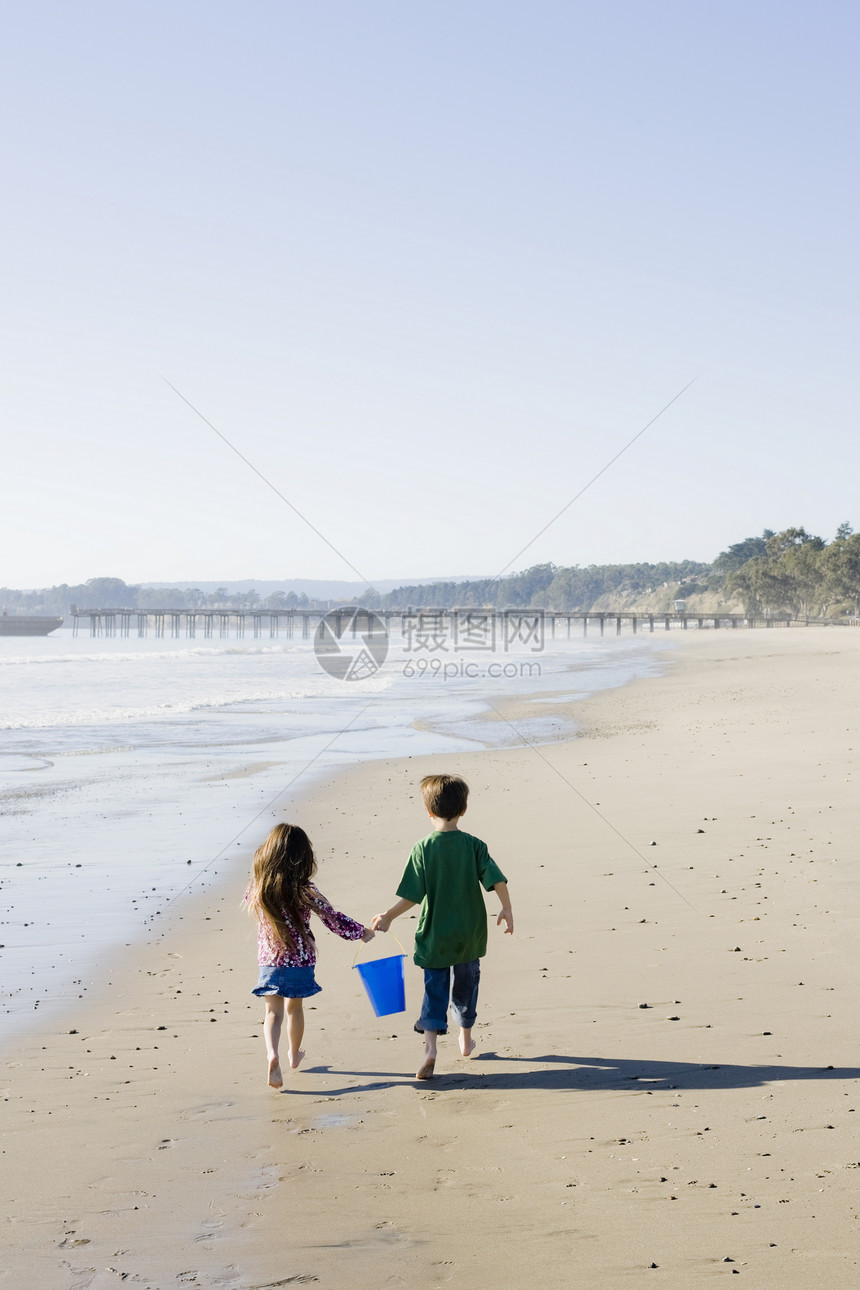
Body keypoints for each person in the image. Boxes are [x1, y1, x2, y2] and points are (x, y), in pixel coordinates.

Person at [372, 774, 513, 1080]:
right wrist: (507, 908)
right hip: (468, 935)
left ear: (429, 812)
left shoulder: (423, 848)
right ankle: (464, 1040)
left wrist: (388, 916)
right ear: (464, 810)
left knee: (434, 989)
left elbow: (412, 894)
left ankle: (430, 1049)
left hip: (435, 937)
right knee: (466, 986)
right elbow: (496, 879)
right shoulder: (474, 845)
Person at [246, 822, 374, 1088]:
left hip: (269, 960)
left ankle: (273, 1055)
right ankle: (294, 1055)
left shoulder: (259, 888)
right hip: (300, 961)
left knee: (273, 1013)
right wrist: (361, 932)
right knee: (295, 1008)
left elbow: (251, 895)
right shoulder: (304, 889)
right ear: (303, 856)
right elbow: (332, 917)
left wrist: (262, 860)